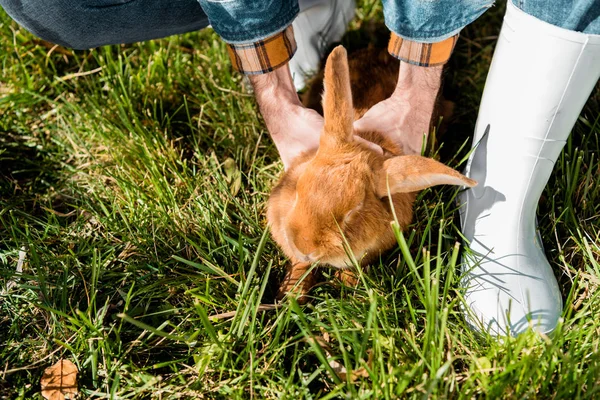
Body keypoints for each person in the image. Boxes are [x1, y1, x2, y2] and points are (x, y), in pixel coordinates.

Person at [1, 0, 598, 337]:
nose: (307, 244)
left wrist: (418, 85)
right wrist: (278, 102)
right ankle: (305, 4)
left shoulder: (387, 198)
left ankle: (500, 206)